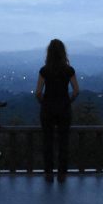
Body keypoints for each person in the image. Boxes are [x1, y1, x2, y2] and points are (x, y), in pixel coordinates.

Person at [35, 39, 80, 180]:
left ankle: (48, 173)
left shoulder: (44, 70)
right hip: (64, 109)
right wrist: (68, 101)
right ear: (63, 53)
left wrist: (44, 102)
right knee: (63, 141)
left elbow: (37, 92)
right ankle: (62, 173)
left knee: (47, 141)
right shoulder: (69, 70)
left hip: (47, 109)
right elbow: (76, 90)